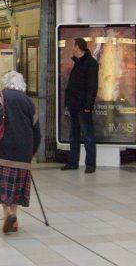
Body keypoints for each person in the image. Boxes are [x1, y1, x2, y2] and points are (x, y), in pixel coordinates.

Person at [0, 71, 40, 234]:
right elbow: (36, 130)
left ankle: (8, 213)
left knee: (4, 187)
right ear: (21, 84)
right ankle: (14, 219)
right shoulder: (29, 102)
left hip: (3, 148)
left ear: (6, 82)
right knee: (16, 186)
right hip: (23, 150)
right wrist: (33, 150)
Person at [62, 38, 99, 173]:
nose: (72, 48)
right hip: (74, 105)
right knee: (74, 134)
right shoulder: (77, 63)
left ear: (77, 47)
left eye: (73, 46)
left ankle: (90, 164)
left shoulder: (90, 64)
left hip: (83, 106)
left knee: (88, 135)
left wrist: (88, 105)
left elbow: (92, 86)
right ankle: (73, 162)